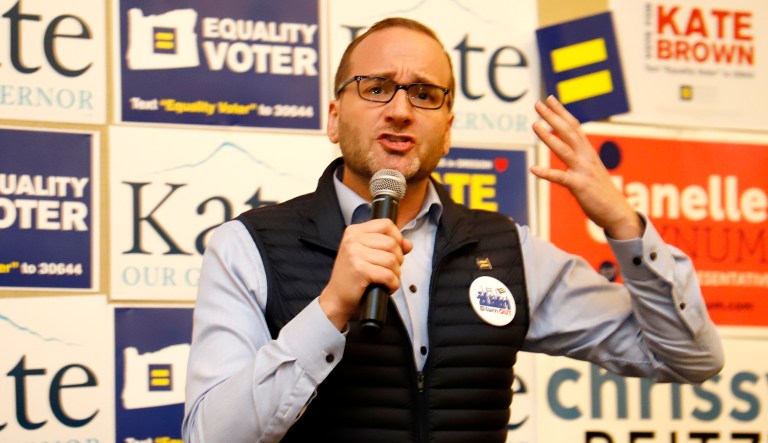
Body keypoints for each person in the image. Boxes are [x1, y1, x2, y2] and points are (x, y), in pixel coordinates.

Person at [182, 17, 723, 443]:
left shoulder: (508, 249)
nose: (399, 109)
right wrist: (329, 311)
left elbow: (690, 358)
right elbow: (212, 436)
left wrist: (622, 223)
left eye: (424, 93)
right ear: (333, 116)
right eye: (376, 88)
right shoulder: (247, 246)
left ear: (447, 130)